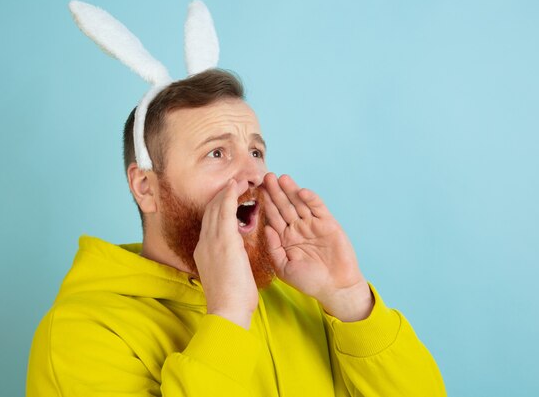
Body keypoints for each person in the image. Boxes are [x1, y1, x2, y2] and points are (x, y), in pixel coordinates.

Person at [26, 68, 446, 396]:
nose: (253, 174)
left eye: (256, 151)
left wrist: (350, 299)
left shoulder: (303, 297)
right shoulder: (80, 334)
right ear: (146, 187)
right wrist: (227, 315)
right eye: (217, 153)